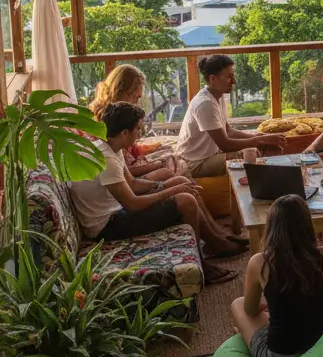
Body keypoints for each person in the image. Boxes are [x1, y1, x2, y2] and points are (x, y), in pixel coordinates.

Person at [71, 102, 242, 281]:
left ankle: (217, 239)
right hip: (107, 227)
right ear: (124, 133)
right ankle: (204, 265)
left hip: (114, 211)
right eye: (138, 129)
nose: (140, 133)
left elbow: (133, 183)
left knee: (181, 181)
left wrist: (168, 185)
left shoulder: (111, 146)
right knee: (185, 200)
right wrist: (172, 191)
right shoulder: (107, 159)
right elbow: (133, 205)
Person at [229, 194, 323, 357]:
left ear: (271, 227)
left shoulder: (260, 263)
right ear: (308, 224)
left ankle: (247, 336)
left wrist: (265, 305)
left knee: (238, 304)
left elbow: (249, 310)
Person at [175, 54, 287, 176]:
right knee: (251, 153)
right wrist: (260, 140)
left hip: (212, 154)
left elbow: (228, 131)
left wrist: (260, 136)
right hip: (195, 163)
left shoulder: (218, 95)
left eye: (233, 76)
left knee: (272, 148)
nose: (234, 81)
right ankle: (255, 189)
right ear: (213, 79)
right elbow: (226, 145)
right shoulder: (205, 103)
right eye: (229, 77)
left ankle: (274, 183)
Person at [91, 64, 184, 182]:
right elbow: (118, 168)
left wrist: (151, 149)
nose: (137, 102)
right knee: (172, 161)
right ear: (122, 92)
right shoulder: (108, 120)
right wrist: (152, 165)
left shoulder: (120, 114)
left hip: (131, 166)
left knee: (170, 151)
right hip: (127, 175)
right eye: (136, 97)